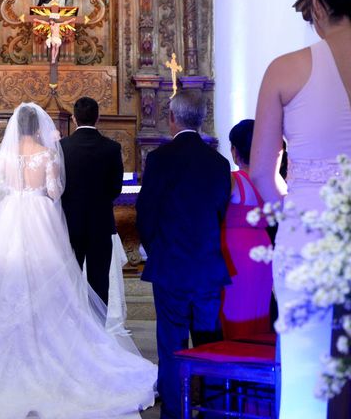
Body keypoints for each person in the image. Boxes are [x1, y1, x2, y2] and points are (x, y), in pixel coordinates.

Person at [0, 102, 156, 419]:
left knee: (2, 284)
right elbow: (53, 190)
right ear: (37, 127)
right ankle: (52, 346)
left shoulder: (5, 156)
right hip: (38, 219)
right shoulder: (47, 153)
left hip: (8, 221)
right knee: (49, 284)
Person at [249, 0, 351, 417]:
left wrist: (294, 209)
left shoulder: (286, 69)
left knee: (306, 369)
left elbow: (262, 174)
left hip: (309, 229)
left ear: (317, 1)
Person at [136, 90, 231, 419]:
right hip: (207, 265)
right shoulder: (219, 163)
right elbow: (222, 211)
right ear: (201, 118)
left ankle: (176, 412)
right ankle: (214, 409)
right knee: (209, 343)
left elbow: (146, 212)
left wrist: (156, 247)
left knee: (172, 344)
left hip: (171, 266)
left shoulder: (160, 159)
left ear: (172, 118)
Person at [60, 96, 124, 306]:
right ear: (98, 118)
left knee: (70, 281)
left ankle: (72, 329)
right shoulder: (112, 148)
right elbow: (116, 188)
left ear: (73, 118)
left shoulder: (62, 147)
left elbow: (58, 186)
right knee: (99, 283)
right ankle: (98, 330)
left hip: (70, 224)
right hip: (101, 224)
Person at [220, 119, 272, 340]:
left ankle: (236, 360)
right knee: (260, 307)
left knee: (235, 308)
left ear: (234, 150)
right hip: (263, 247)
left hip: (236, 250)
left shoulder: (233, 180)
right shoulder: (271, 181)